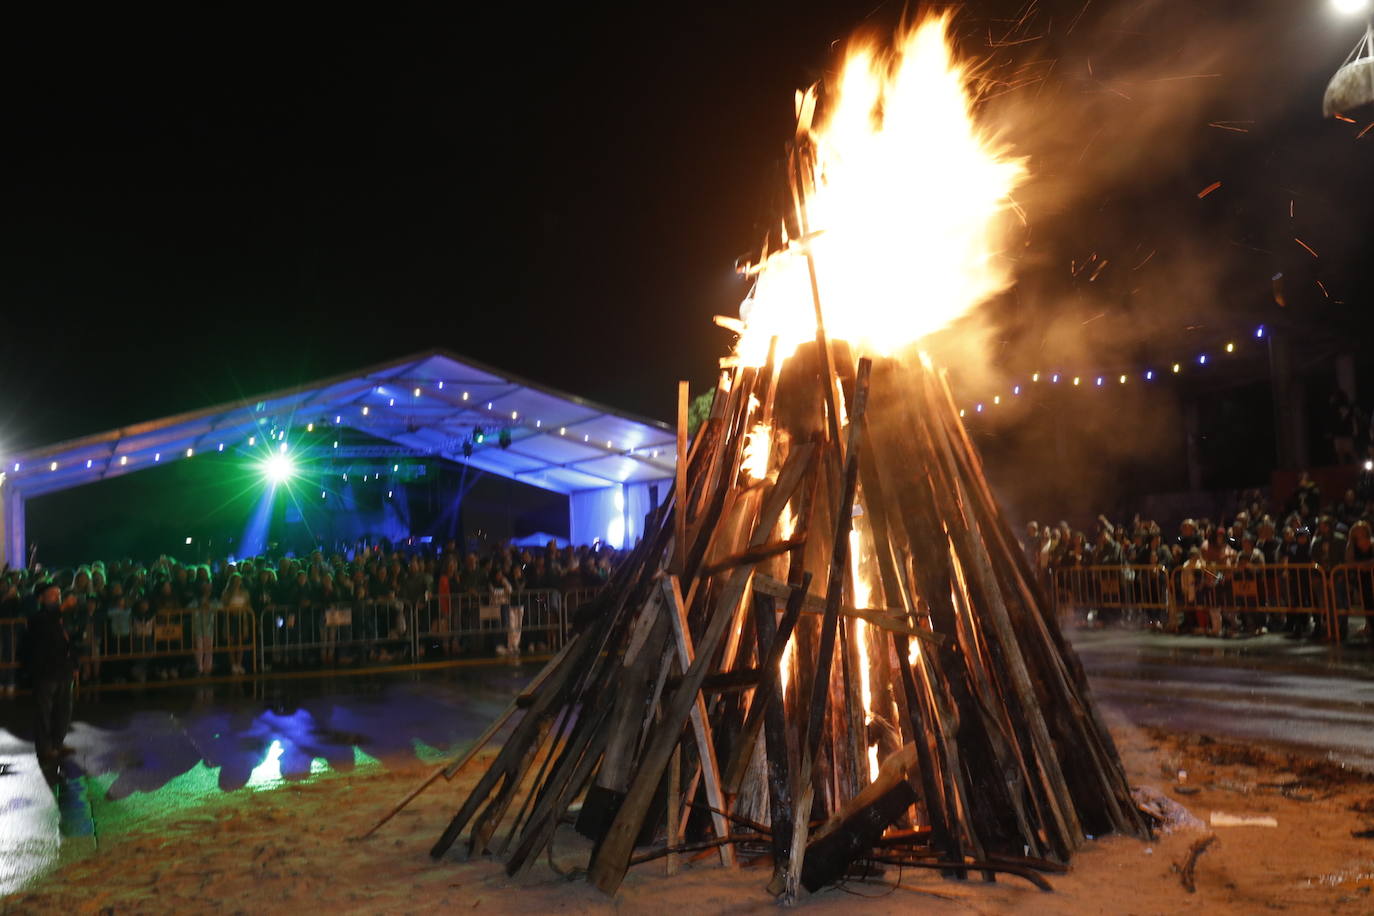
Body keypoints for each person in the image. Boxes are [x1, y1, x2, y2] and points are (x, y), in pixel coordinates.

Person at [24, 581, 78, 762]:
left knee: (64, 710)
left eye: (59, 594)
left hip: (63, 670)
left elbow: (69, 642)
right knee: (44, 712)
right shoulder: (38, 618)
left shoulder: (62, 617)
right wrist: (63, 608)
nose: (58, 597)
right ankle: (45, 748)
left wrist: (74, 665)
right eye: (53, 594)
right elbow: (46, 627)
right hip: (46, 672)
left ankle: (58, 742)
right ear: (41, 598)